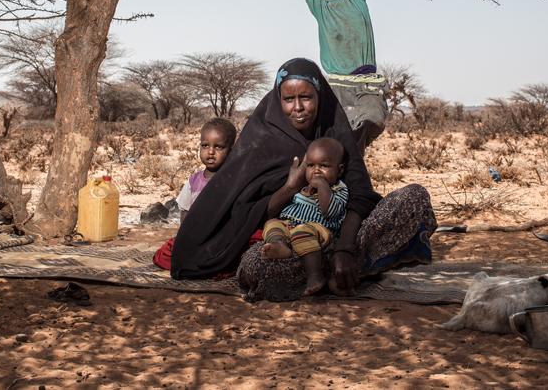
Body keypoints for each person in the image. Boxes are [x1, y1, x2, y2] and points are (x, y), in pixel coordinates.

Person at [170, 58, 436, 302]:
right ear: (278, 99)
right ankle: (341, 270)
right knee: (254, 267)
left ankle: (339, 265)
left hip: (345, 235)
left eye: (306, 97)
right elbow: (250, 211)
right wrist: (290, 187)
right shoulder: (262, 137)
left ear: (319, 96)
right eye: (289, 99)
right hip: (292, 240)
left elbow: (360, 195)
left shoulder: (334, 130)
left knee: (414, 197)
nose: (297, 108)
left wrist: (344, 249)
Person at [291, 0, 388, 153]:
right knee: (335, 141)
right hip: (335, 84)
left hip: (366, 82)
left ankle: (353, 156)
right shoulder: (319, 6)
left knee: (373, 119)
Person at [261, 137, 349, 295]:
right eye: (311, 165)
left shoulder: (338, 189)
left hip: (319, 231)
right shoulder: (302, 187)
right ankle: (280, 245)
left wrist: (322, 186)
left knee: (302, 231)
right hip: (291, 226)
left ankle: (315, 275)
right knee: (272, 223)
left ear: (340, 170)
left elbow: (331, 211)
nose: (316, 170)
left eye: (324, 166)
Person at [176, 117, 237, 223]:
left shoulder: (234, 181)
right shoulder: (193, 181)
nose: (210, 152)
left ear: (231, 151)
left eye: (218, 147)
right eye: (205, 146)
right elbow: (185, 211)